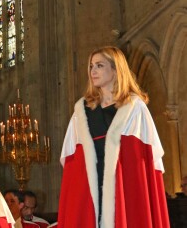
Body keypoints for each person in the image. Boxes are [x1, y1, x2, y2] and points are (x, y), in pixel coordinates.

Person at [57, 46, 170, 227]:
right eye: (91, 66)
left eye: (99, 65)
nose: (93, 71)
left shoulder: (134, 108)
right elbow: (71, 162)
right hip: (89, 196)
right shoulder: (81, 111)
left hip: (125, 193)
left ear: (116, 69)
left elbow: (146, 161)